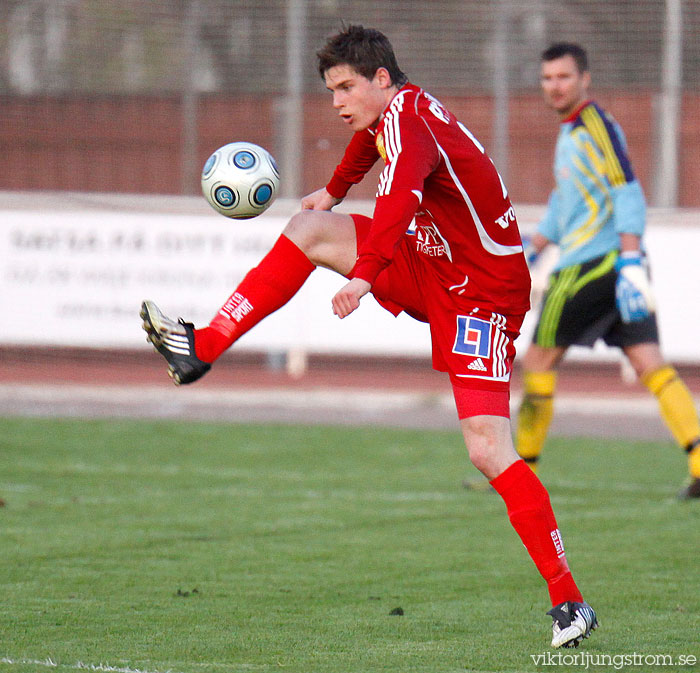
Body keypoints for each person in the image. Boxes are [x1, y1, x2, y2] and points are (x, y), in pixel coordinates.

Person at [141, 25, 597, 648]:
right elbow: (366, 142)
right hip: (434, 265)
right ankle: (203, 348)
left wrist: (362, 278)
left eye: (346, 86)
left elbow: (399, 204)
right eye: (331, 89)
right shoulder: (396, 111)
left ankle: (568, 601)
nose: (336, 101)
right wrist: (331, 191)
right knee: (309, 227)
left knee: (488, 449)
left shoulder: (411, 124)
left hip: (483, 297)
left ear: (382, 78)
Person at [514, 43, 700, 499]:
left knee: (537, 360)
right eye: (547, 78)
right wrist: (535, 246)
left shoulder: (596, 125)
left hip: (591, 266)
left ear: (585, 79)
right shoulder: (572, 131)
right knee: (648, 362)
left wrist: (632, 259)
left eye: (563, 77)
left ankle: (520, 476)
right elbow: (567, 202)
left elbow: (626, 190)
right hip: (616, 264)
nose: (554, 86)